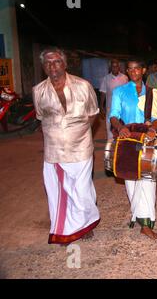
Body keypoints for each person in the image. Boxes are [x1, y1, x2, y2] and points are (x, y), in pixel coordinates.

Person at [32, 48, 100, 245]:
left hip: (81, 148)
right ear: (43, 66)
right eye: (48, 63)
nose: (52, 66)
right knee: (59, 192)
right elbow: (41, 117)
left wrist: (81, 132)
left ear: (65, 64)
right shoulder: (38, 91)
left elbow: (93, 113)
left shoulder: (83, 86)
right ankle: (65, 231)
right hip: (54, 151)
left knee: (82, 190)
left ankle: (86, 223)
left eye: (56, 62)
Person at [109, 59, 157, 240]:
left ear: (144, 69)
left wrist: (153, 128)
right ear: (127, 71)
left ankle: (146, 224)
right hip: (127, 140)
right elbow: (113, 116)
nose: (134, 71)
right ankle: (137, 215)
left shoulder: (153, 93)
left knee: (147, 182)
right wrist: (119, 128)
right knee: (131, 182)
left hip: (147, 140)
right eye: (130, 69)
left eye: (137, 68)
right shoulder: (119, 92)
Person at [99, 59, 128, 141]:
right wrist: (101, 106)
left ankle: (120, 141)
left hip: (122, 107)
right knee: (109, 124)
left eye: (116, 66)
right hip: (109, 106)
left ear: (119, 67)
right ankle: (110, 141)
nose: (115, 68)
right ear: (110, 68)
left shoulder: (125, 78)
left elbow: (127, 93)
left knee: (121, 124)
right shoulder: (106, 78)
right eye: (113, 66)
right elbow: (103, 92)